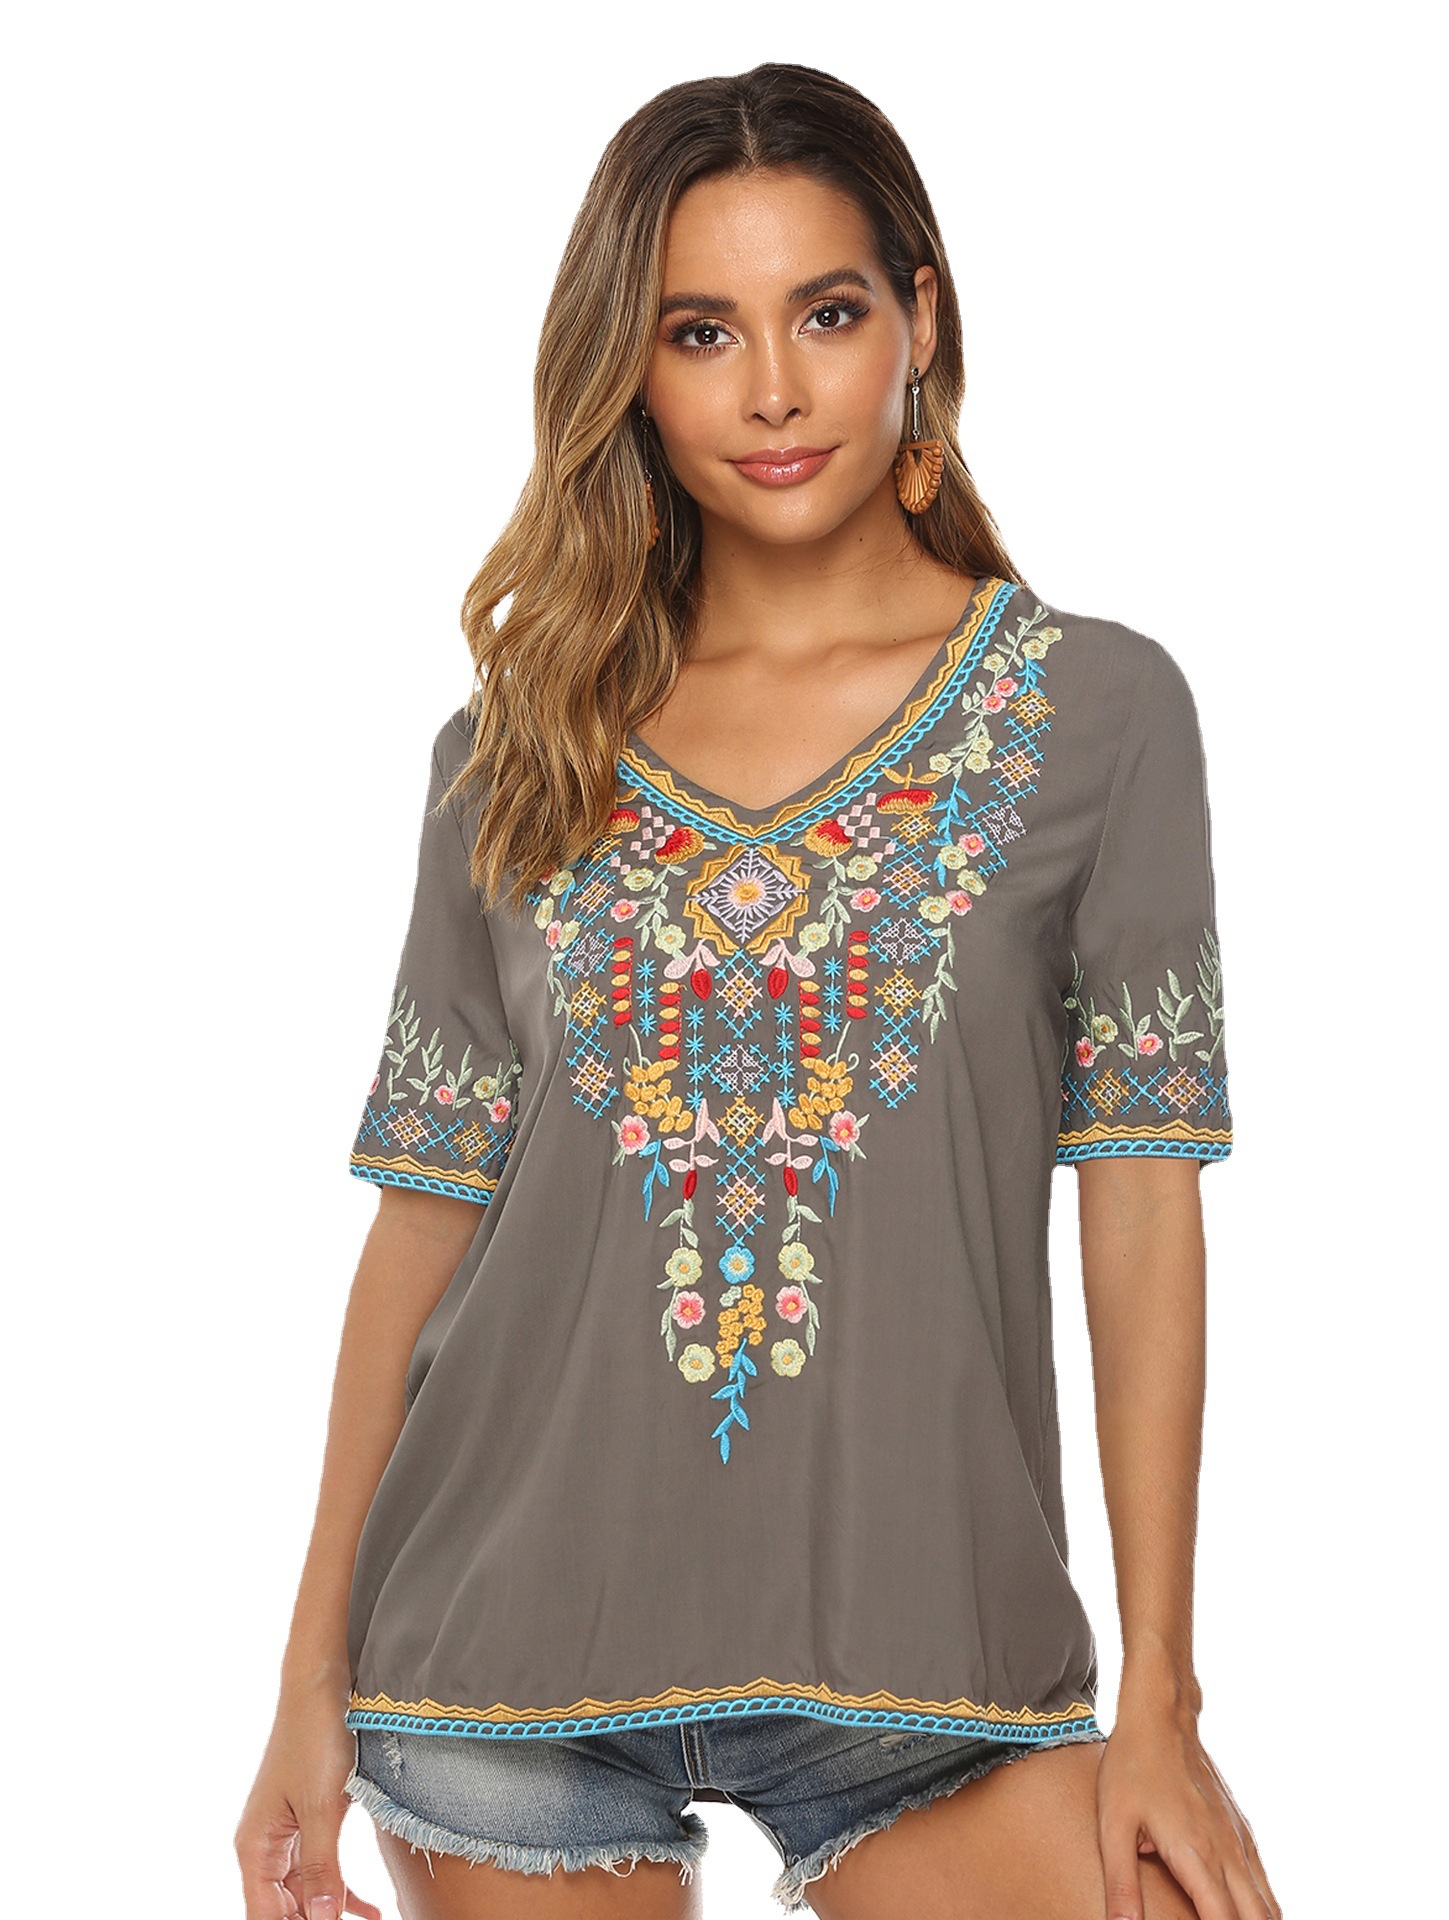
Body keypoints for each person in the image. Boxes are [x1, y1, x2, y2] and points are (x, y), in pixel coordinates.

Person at [236, 61, 1280, 1920]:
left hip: (944, 1672)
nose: (775, 390)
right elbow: (424, 1222)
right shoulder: (515, 755)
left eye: (829, 313)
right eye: (702, 332)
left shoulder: (1099, 716)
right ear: (631, 373)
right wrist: (306, 1679)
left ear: (920, 322)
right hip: (498, 1664)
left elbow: (1142, 1209)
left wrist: (1164, 1703)